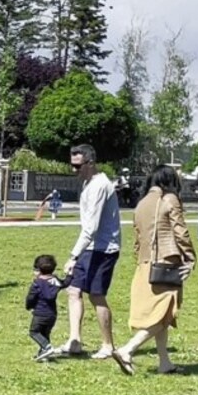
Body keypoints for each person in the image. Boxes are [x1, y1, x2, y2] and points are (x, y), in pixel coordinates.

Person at [111, 165, 196, 375]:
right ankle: (127, 350)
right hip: (166, 262)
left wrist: (140, 262)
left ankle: (165, 363)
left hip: (145, 264)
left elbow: (137, 239)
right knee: (164, 314)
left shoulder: (140, 204)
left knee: (160, 313)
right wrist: (191, 257)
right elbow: (181, 232)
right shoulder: (169, 200)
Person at [58, 144, 121, 359]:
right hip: (89, 247)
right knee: (73, 291)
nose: (74, 170)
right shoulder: (87, 183)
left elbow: (91, 228)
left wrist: (73, 256)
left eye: (78, 166)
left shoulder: (100, 186)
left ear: (90, 163)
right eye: (72, 165)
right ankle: (74, 341)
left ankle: (108, 345)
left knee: (96, 296)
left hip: (103, 249)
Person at [26, 255, 70, 361]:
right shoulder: (55, 280)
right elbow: (65, 283)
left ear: (39, 271)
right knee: (45, 333)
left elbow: (31, 297)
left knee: (34, 332)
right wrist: (70, 274)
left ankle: (47, 347)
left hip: (40, 314)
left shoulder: (37, 284)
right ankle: (44, 354)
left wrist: (29, 306)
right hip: (52, 315)